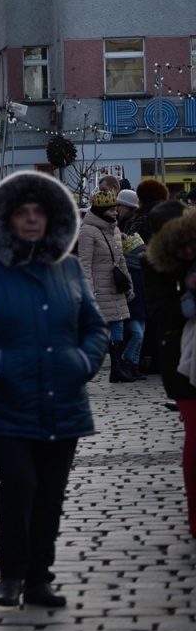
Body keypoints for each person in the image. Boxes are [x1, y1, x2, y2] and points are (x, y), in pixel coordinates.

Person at [0, 171, 108, 609]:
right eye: (24, 212)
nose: (33, 220)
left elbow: (94, 328)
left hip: (63, 398)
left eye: (41, 212)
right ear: (8, 218)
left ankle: (39, 577)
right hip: (6, 399)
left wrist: (82, 362)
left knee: (50, 493)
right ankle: (12, 573)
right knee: (18, 483)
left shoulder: (68, 267)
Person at [141, 199, 196, 539]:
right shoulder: (154, 266)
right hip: (179, 357)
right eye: (181, 247)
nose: (189, 250)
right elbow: (160, 315)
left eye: (192, 242)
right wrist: (189, 297)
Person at [77, 191, 135, 382]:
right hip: (99, 287)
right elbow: (84, 263)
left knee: (118, 323)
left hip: (115, 286)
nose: (116, 213)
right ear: (102, 210)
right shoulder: (88, 231)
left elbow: (120, 260)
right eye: (112, 210)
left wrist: (129, 284)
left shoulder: (112, 228)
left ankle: (116, 368)